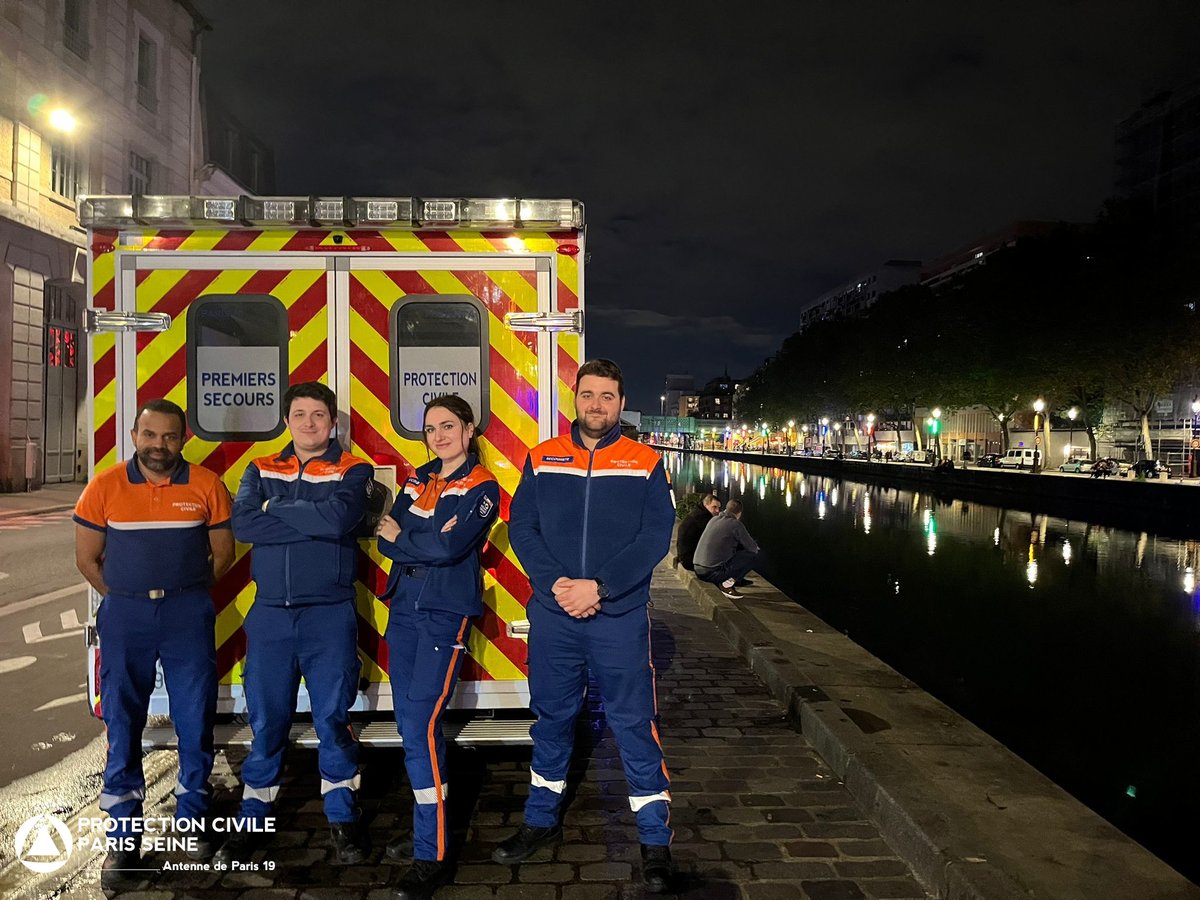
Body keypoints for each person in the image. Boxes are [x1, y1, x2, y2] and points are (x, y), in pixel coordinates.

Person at [492, 359, 677, 894]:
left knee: (633, 722)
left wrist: (600, 586)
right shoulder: (542, 456)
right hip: (556, 615)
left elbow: (653, 536)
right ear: (575, 398)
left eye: (608, 396)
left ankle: (654, 841)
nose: (597, 405)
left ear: (621, 403)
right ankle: (540, 820)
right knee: (551, 718)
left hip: (615, 616)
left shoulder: (646, 461)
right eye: (589, 395)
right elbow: (522, 526)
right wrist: (557, 584)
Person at [73, 399, 234, 890]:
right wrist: (129, 597)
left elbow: (223, 556)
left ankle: (193, 818)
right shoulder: (104, 487)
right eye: (149, 435)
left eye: (168, 437)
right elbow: (87, 560)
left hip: (188, 613)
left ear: (182, 438)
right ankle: (124, 840)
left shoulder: (206, 484)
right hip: (125, 614)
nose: (158, 445)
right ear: (134, 435)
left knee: (195, 716)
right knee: (122, 721)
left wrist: (179, 595)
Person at [218, 382, 374, 865]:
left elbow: (339, 521)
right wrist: (307, 515)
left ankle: (342, 818)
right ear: (287, 421)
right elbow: (242, 525)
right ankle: (252, 821)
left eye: (319, 415)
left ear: (332, 423)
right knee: (266, 722)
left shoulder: (354, 468)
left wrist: (273, 507)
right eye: (300, 414)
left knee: (332, 719)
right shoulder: (260, 466)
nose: (309, 423)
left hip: (329, 613)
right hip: (270, 617)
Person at [375, 396, 500, 899]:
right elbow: (384, 538)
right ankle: (433, 827)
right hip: (403, 608)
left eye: (449, 426)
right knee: (409, 727)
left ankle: (432, 854)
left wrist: (410, 534)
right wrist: (418, 535)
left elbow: (451, 548)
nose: (439, 435)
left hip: (442, 613)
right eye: (431, 428)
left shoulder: (482, 485)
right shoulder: (417, 478)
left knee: (422, 725)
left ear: (469, 430)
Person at [693, 499, 760, 599]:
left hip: (698, 569)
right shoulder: (735, 524)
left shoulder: (714, 520)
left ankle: (734, 580)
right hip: (711, 572)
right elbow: (753, 548)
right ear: (739, 513)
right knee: (753, 556)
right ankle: (726, 585)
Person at [676, 493, 721, 571]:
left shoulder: (697, 513)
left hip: (685, 557)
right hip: (691, 560)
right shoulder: (703, 518)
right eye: (714, 507)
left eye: (719, 508)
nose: (717, 511)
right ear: (706, 505)